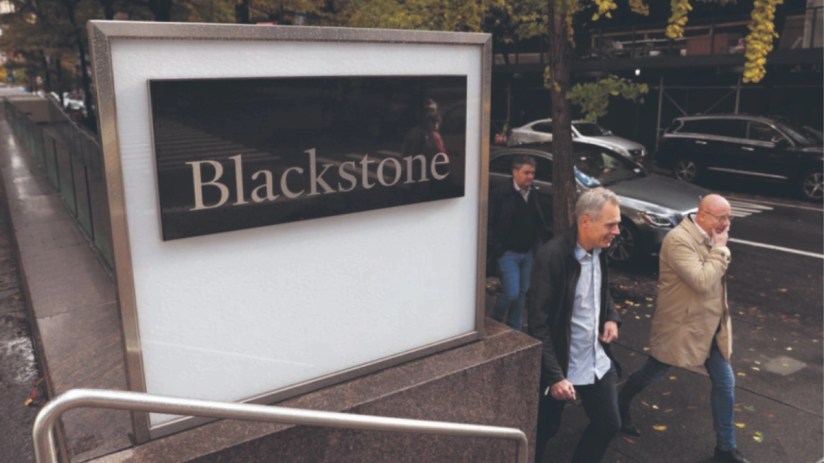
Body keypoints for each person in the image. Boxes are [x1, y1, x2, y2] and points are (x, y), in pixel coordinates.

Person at [617, 194, 750, 463]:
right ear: (702, 215)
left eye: (729, 217)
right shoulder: (678, 240)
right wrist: (721, 248)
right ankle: (619, 403)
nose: (726, 223)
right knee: (653, 371)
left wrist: (717, 245)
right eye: (721, 217)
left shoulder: (711, 234)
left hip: (710, 327)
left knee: (725, 382)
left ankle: (725, 449)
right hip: (681, 327)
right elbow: (702, 280)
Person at [528, 187, 623, 463]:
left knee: (609, 423)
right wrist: (555, 376)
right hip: (561, 363)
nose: (616, 230)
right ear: (585, 221)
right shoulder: (552, 257)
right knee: (544, 431)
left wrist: (611, 317)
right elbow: (538, 323)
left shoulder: (600, 249)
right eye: (611, 224)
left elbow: (602, 292)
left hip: (594, 359)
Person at [487, 155, 549, 330]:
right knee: (512, 293)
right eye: (526, 173)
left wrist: (538, 246)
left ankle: (515, 327)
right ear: (515, 172)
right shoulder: (502, 193)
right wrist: (499, 248)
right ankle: (495, 319)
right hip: (508, 253)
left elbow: (538, 221)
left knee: (522, 293)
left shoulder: (532, 193)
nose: (530, 177)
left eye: (532, 173)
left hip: (527, 252)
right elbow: (490, 222)